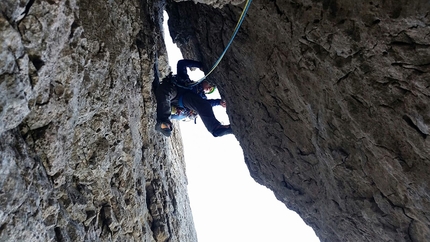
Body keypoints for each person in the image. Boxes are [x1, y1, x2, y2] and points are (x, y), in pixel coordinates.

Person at [155, 59, 232, 137]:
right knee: (165, 92)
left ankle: (216, 129)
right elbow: (181, 64)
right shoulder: (186, 80)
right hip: (175, 89)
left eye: (211, 89)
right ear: (205, 80)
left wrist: (218, 102)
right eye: (210, 85)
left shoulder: (201, 97)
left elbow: (206, 104)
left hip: (184, 101)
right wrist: (200, 65)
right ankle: (164, 122)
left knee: (203, 105)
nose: (210, 88)